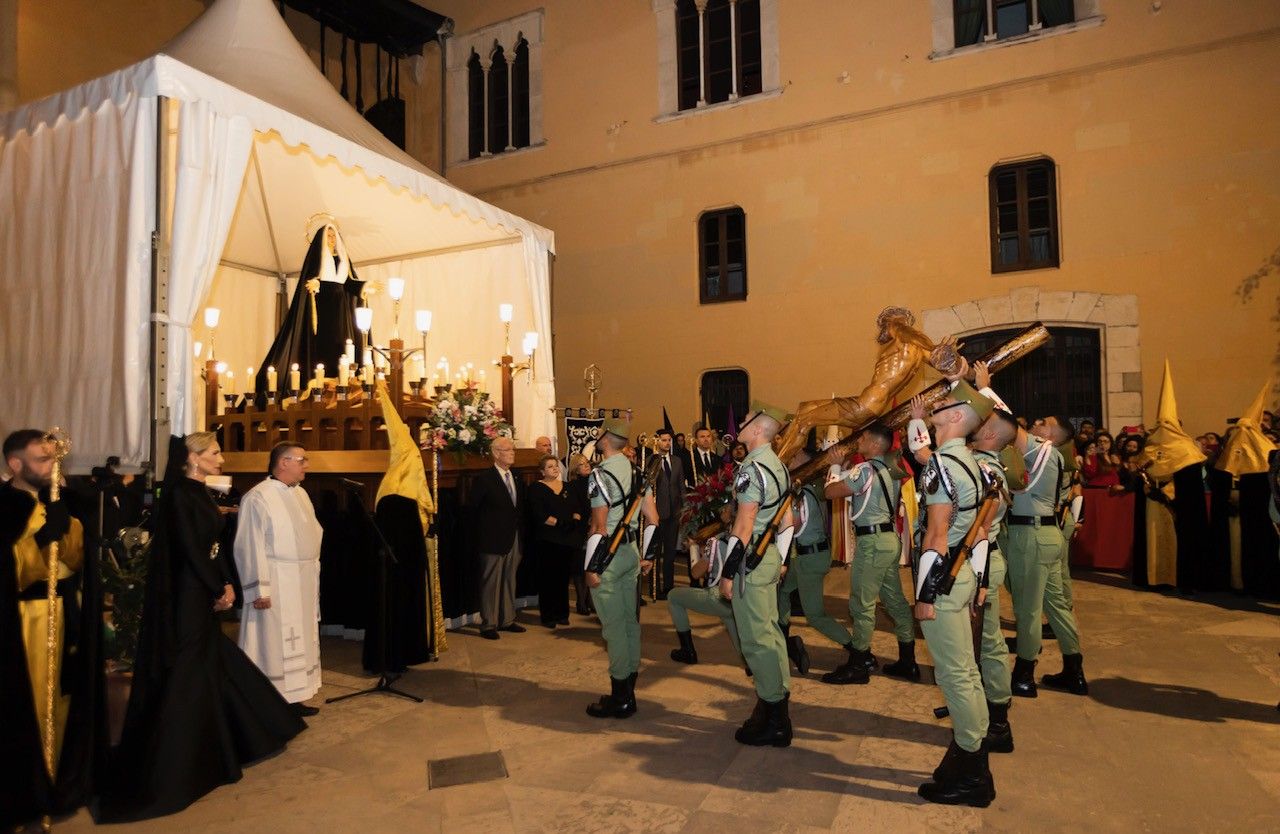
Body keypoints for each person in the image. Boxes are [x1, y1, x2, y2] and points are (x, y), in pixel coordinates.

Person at [100, 434, 304, 822]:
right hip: (188, 595)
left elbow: (212, 546)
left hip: (203, 589)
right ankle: (177, 763)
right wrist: (217, 587)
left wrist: (225, 582)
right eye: (214, 453)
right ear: (192, 458)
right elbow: (190, 550)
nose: (221, 458)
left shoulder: (199, 493)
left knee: (212, 663)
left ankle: (231, 739)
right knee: (190, 670)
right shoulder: (180, 495)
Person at [1, 429, 100, 829]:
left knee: (63, 696)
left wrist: (69, 529)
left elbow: (76, 561)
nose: (52, 467)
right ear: (15, 464)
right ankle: (32, 788)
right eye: (42, 460)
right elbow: (13, 572)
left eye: (54, 459)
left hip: (66, 610)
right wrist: (41, 540)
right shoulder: (5, 507)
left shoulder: (59, 501)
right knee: (32, 699)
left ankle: (60, 780)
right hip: (28, 619)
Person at [912, 381, 995, 807]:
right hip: (962, 577)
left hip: (943, 580)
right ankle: (969, 755)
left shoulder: (942, 464)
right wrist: (979, 581)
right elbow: (981, 529)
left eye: (945, 403)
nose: (936, 404)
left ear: (958, 416)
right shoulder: (972, 463)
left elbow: (936, 535)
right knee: (966, 671)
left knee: (953, 675)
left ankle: (973, 771)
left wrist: (925, 595)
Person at [719, 402, 796, 747]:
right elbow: (789, 521)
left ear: (759, 428)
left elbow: (744, 524)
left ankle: (776, 718)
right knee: (771, 632)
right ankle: (773, 702)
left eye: (747, 419)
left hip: (750, 561)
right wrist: (781, 561)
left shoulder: (752, 468)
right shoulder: (779, 465)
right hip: (769, 557)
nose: (741, 423)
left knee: (755, 640)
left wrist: (728, 571)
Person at [822, 422, 918, 684]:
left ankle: (859, 665)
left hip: (873, 543)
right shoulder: (891, 468)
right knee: (895, 600)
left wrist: (834, 466)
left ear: (875, 444)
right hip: (888, 539)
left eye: (863, 438)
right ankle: (908, 661)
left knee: (861, 604)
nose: (859, 442)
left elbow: (830, 492)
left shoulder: (865, 469)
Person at [233, 442, 324, 715]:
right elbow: (249, 544)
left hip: (302, 580)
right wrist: (258, 588)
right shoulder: (258, 496)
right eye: (302, 460)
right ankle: (268, 702)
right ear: (284, 462)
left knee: (301, 640)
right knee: (272, 644)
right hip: (276, 581)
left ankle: (294, 698)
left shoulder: (301, 494)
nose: (306, 465)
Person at [1005, 410, 1088, 698]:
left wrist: (985, 393)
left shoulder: (1042, 449)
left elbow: (1007, 425)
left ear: (1051, 435)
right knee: (1056, 607)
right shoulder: (1050, 455)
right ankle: (1074, 672)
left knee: (1027, 609)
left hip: (1031, 535)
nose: (1037, 422)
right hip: (1048, 534)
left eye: (1044, 423)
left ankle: (1024, 675)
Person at [583, 418, 659, 718]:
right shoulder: (637, 471)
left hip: (608, 556)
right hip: (630, 554)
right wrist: (648, 556)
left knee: (613, 629)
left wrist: (591, 567)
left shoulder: (600, 474)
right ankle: (629, 689)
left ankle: (620, 697)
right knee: (630, 623)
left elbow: (599, 526)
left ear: (604, 439)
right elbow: (653, 519)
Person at [254, 219, 374, 397]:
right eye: (328, 236)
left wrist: (365, 286)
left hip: (340, 310)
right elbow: (309, 280)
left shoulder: (343, 258)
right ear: (321, 238)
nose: (332, 239)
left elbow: (348, 283)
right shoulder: (317, 257)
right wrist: (315, 284)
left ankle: (342, 381)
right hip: (323, 308)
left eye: (334, 236)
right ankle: (322, 383)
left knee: (342, 343)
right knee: (326, 342)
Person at [775, 475, 851, 679]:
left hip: (810, 558)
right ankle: (784, 642)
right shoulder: (811, 488)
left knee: (815, 616)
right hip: (809, 555)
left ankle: (858, 651)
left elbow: (793, 525)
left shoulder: (801, 493)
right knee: (783, 589)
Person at [668, 506, 744, 669]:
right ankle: (750, 663)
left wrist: (693, 549)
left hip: (719, 596)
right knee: (732, 623)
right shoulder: (747, 538)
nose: (723, 510)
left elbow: (696, 573)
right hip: (740, 596)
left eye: (726, 508)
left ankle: (687, 651)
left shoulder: (716, 541)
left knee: (673, 596)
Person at [466, 436, 525, 640]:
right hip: (492, 539)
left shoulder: (516, 476)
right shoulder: (485, 479)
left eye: (513, 449)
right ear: (496, 453)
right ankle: (489, 623)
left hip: (514, 537)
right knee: (491, 582)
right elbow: (473, 510)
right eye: (508, 450)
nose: (512, 453)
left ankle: (507, 619)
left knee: (510, 579)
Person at [527, 455, 577, 628]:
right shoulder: (536, 488)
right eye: (550, 466)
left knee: (563, 578)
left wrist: (574, 521)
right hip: (547, 539)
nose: (555, 468)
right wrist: (560, 523)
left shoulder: (568, 486)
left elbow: (576, 508)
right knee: (548, 578)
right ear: (542, 471)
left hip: (566, 539)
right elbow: (539, 514)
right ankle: (548, 616)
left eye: (556, 466)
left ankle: (562, 614)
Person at [653, 428, 686, 599]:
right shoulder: (651, 460)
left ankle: (668, 586)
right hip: (657, 513)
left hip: (674, 512)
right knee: (656, 552)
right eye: (664, 440)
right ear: (657, 441)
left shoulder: (677, 461)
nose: (667, 443)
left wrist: (685, 509)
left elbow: (681, 486)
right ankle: (655, 587)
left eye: (669, 440)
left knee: (670, 552)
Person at [566, 454, 595, 615]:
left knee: (592, 564)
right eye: (582, 464)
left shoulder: (594, 481)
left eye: (587, 463)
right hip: (580, 529)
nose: (586, 466)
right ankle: (581, 601)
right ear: (575, 469)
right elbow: (575, 507)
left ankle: (590, 600)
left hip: (595, 526)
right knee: (579, 565)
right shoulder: (573, 485)